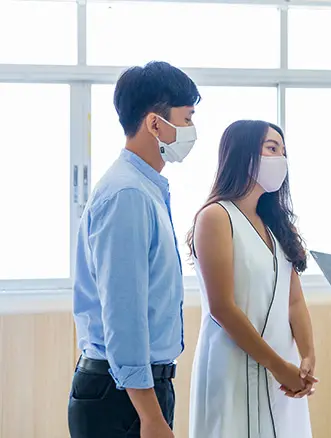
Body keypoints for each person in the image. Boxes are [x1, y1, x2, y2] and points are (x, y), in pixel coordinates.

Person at [69, 61, 200, 438]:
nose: (191, 130)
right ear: (155, 124)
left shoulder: (145, 188)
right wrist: (150, 416)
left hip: (138, 388)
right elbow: (124, 314)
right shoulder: (128, 194)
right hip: (122, 396)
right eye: (186, 118)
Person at [187, 120, 316, 438]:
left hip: (282, 371)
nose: (280, 159)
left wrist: (307, 356)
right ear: (243, 154)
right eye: (272, 148)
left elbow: (294, 300)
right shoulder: (216, 217)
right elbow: (222, 308)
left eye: (283, 152)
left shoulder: (278, 224)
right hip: (233, 367)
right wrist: (278, 366)